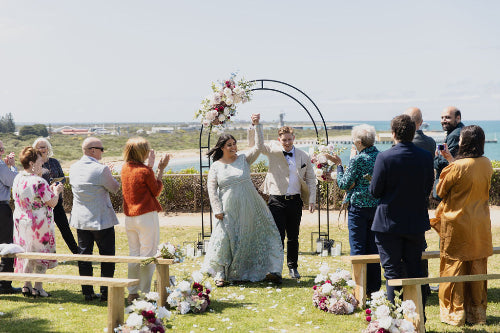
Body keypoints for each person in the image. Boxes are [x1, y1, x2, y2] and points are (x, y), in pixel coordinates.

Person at [203, 114, 283, 286]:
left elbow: (259, 146)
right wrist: (217, 209)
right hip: (228, 209)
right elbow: (211, 189)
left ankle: (271, 269)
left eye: (234, 144)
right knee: (225, 239)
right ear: (222, 148)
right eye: (229, 145)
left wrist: (257, 125)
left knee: (259, 235)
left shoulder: (244, 159)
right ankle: (221, 273)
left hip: (251, 206)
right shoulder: (216, 166)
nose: (233, 147)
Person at [430, 125, 492, 326]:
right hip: (480, 223)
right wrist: (451, 160)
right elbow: (470, 174)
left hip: (457, 223)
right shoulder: (487, 164)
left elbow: (440, 190)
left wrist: (450, 163)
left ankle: (454, 313)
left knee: (453, 267)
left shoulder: (456, 167)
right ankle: (475, 313)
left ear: (464, 143)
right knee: (476, 266)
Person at [370, 114, 434, 305]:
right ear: (414, 131)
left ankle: (392, 320)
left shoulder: (385, 157)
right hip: (415, 221)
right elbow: (428, 186)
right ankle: (418, 320)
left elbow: (375, 191)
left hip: (388, 224)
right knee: (415, 270)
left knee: (392, 273)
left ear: (393, 133)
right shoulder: (425, 156)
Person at [250, 123, 316, 279]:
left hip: (295, 201)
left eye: (289, 139)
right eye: (284, 140)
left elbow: (311, 179)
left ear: (294, 138)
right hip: (276, 200)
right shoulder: (272, 151)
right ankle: (275, 269)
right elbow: (257, 145)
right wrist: (256, 125)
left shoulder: (303, 155)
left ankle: (293, 267)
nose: (287, 142)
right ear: (279, 140)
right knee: (277, 236)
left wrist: (312, 200)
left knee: (293, 236)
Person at [326, 124, 381, 297]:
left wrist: (339, 165)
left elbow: (343, 184)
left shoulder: (358, 160)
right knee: (373, 248)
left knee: (358, 248)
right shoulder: (380, 156)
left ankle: (360, 288)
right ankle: (373, 289)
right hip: (377, 207)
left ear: (358, 141)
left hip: (358, 208)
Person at [69, 137, 120, 301]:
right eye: (101, 149)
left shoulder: (73, 167)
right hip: (101, 219)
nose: (103, 151)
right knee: (106, 257)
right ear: (92, 150)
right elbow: (115, 189)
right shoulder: (101, 169)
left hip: (81, 220)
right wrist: (110, 174)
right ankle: (106, 292)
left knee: (85, 256)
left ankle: (87, 292)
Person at [121, 137, 171, 302]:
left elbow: (138, 181)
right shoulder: (145, 170)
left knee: (134, 254)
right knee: (148, 255)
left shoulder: (125, 168)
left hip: (129, 217)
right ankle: (144, 293)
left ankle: (133, 292)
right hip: (146, 215)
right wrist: (160, 169)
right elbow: (156, 190)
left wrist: (149, 166)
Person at [12, 147, 64, 297]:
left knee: (26, 252)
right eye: (40, 162)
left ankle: (26, 285)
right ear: (32, 163)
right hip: (39, 223)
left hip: (21, 220)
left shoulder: (18, 178)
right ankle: (38, 287)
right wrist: (56, 191)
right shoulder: (39, 181)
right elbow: (52, 202)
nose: (42, 164)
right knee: (41, 253)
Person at [405, 107, 436, 296]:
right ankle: (423, 283)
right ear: (421, 122)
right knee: (420, 244)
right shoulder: (430, 143)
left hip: (402, 199)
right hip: (420, 199)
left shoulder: (400, 145)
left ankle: (408, 281)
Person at [33, 137, 79, 254]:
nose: (42, 149)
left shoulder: (54, 162)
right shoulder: (34, 164)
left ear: (48, 148)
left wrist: (57, 184)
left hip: (56, 199)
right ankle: (46, 255)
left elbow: (62, 178)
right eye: (39, 147)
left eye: (44, 147)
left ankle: (77, 253)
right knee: (44, 231)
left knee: (65, 228)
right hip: (42, 204)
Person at [0, 140, 21, 294]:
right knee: (7, 246)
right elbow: (15, 180)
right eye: (1, 149)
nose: (2, 152)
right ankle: (5, 284)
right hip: (1, 207)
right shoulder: (1, 165)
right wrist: (12, 166)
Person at [434, 106, 464, 199]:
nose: (443, 120)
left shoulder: (454, 135)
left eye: (447, 117)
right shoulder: (459, 130)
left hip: (449, 184)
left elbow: (444, 162)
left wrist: (436, 158)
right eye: (442, 118)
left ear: (458, 118)